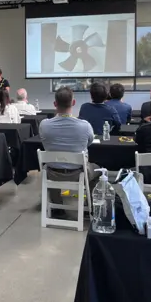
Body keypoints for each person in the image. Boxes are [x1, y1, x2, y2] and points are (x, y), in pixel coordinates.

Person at [39, 87, 97, 215]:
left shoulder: (44, 125)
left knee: (50, 168)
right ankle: (89, 206)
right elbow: (89, 142)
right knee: (97, 171)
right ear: (73, 102)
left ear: (55, 104)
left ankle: (57, 207)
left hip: (52, 174)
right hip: (78, 174)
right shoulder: (85, 125)